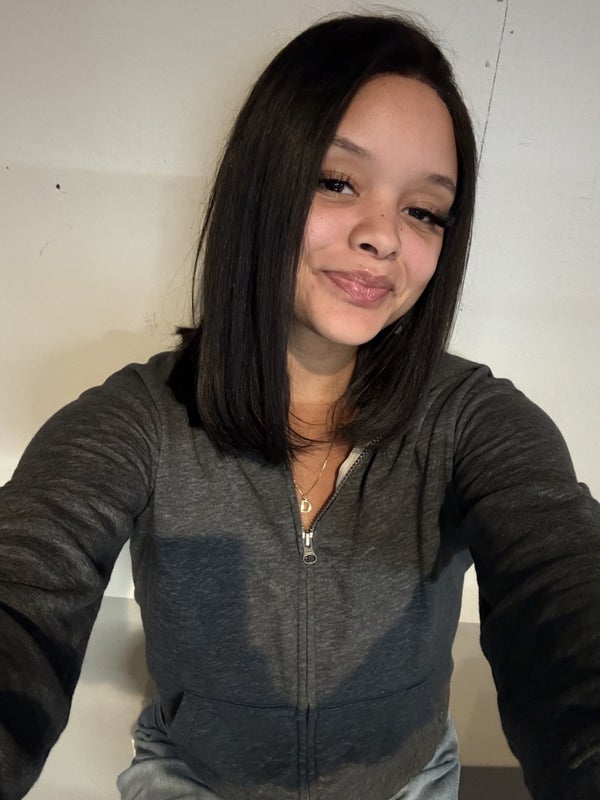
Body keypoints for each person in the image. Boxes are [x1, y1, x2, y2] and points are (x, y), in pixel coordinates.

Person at [0, 12, 599, 800]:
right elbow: (24, 586)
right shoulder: (138, 421)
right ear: (263, 184)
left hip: (407, 782)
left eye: (424, 211)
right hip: (194, 778)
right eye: (337, 181)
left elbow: (564, 591)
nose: (384, 236)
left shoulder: (471, 421)